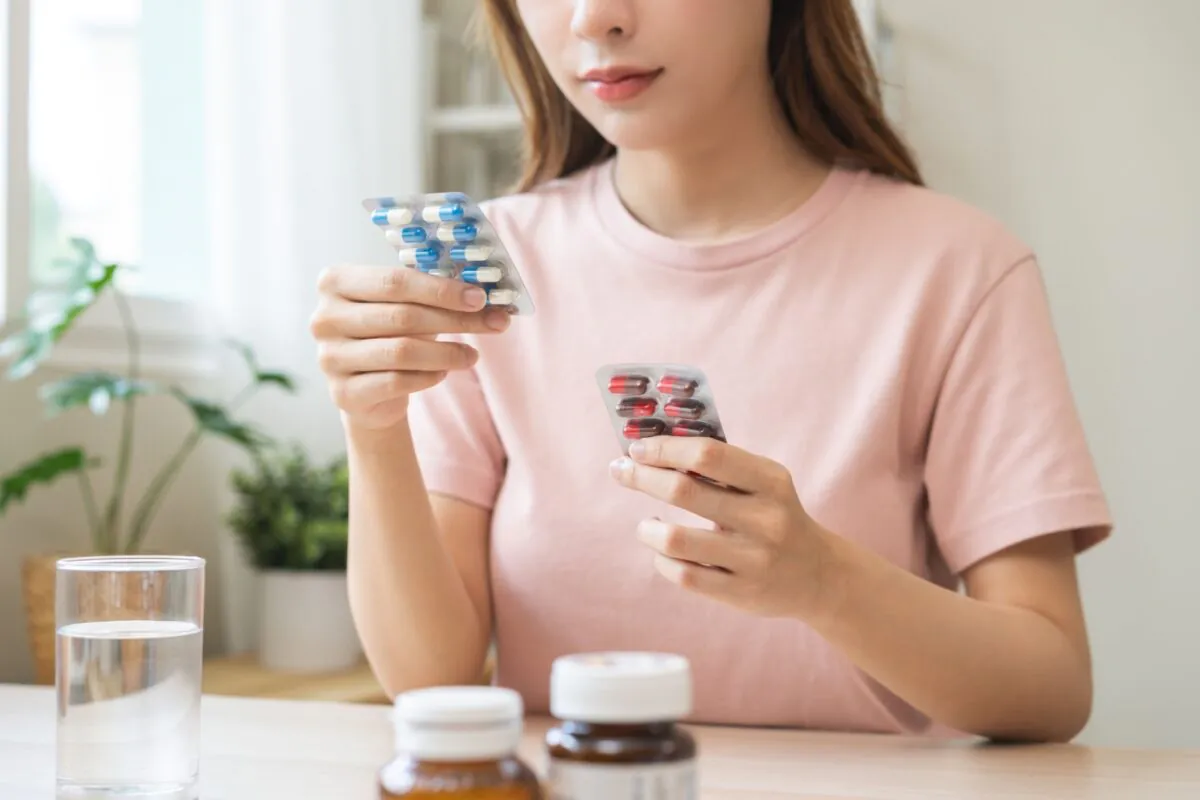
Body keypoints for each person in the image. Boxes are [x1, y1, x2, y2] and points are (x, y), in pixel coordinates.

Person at [309, 0, 1112, 743]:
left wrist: (824, 581)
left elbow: (1049, 688)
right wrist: (372, 429)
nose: (596, 18)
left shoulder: (960, 270)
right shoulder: (482, 278)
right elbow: (427, 677)